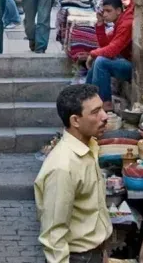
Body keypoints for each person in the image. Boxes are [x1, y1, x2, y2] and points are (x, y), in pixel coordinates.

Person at [35, 84, 112, 263]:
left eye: (102, 109)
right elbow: (54, 236)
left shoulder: (89, 147)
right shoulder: (62, 167)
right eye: (95, 112)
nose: (105, 117)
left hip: (95, 253)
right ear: (75, 121)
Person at [86, 0, 133, 109]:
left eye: (108, 11)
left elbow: (112, 50)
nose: (105, 14)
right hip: (124, 62)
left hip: (133, 68)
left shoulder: (126, 24)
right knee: (99, 59)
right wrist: (100, 24)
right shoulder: (120, 23)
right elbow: (105, 45)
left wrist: (92, 54)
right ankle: (87, 98)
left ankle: (105, 104)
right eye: (104, 11)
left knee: (101, 61)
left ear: (118, 11)